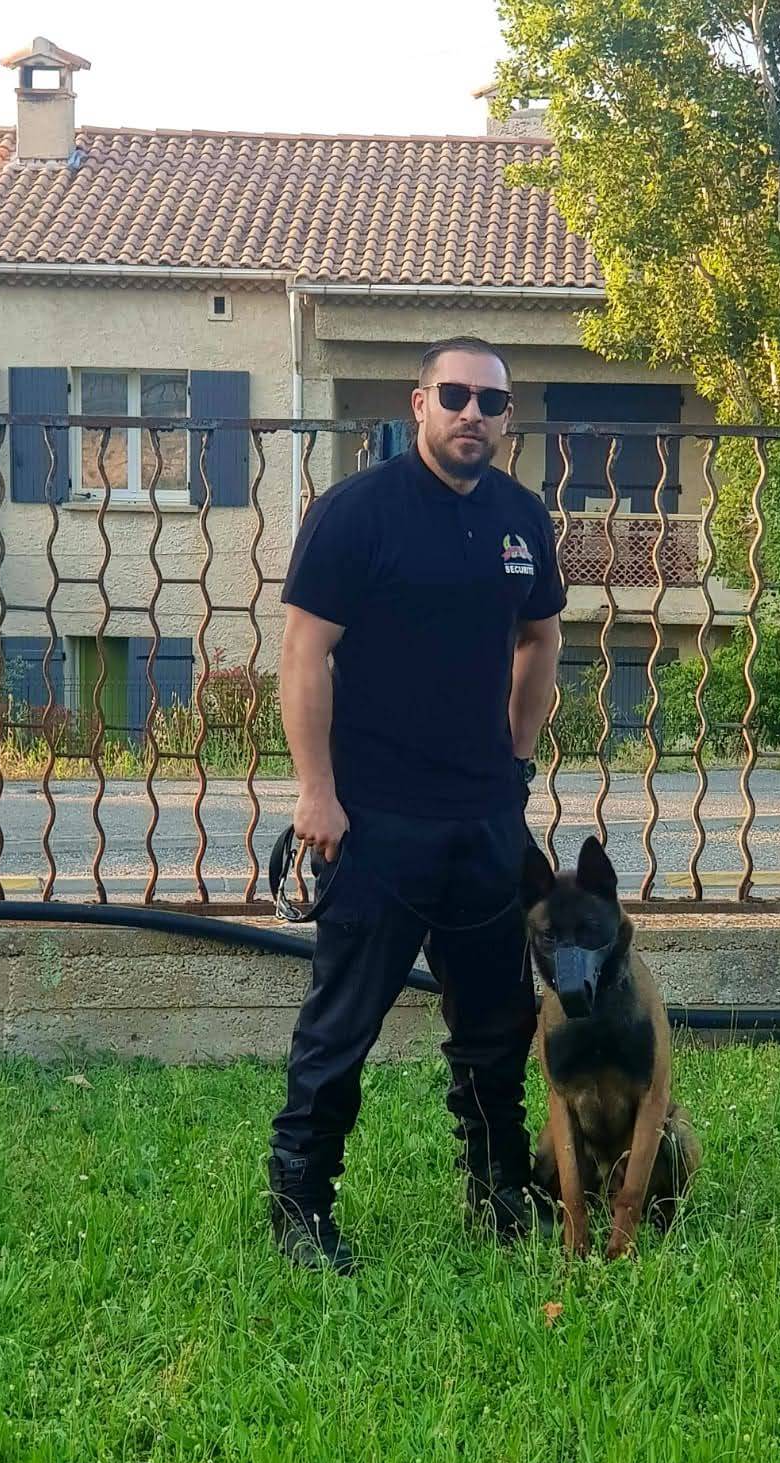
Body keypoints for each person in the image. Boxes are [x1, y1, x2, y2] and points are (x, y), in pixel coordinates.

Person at [267, 335, 565, 1273]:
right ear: (419, 403)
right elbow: (303, 653)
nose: (473, 413)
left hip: (484, 822)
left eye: (491, 401)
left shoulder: (520, 518)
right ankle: (301, 1204)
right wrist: (317, 792)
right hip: (375, 820)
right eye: (456, 395)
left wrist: (517, 760)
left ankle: (499, 1190)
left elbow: (541, 640)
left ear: (506, 416)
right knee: (340, 1029)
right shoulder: (358, 513)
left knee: (497, 1024)